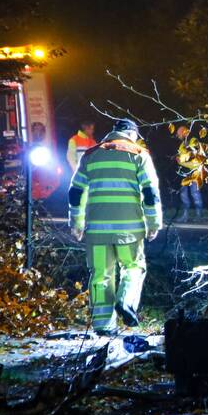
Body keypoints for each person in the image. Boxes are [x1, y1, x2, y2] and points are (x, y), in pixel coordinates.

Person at [68, 118, 162, 335]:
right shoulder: (139, 154)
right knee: (133, 267)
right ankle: (126, 301)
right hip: (129, 230)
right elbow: (150, 192)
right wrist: (153, 223)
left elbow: (76, 191)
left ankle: (103, 326)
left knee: (101, 275)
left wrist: (77, 223)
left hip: (97, 232)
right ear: (132, 134)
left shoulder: (91, 155)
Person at [174, 125, 203, 222]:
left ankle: (199, 216)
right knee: (184, 195)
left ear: (184, 133)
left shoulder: (193, 140)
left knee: (195, 194)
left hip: (194, 172)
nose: (178, 136)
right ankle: (185, 216)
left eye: (179, 134)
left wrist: (182, 159)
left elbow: (193, 153)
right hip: (184, 173)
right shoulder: (182, 144)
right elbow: (181, 155)